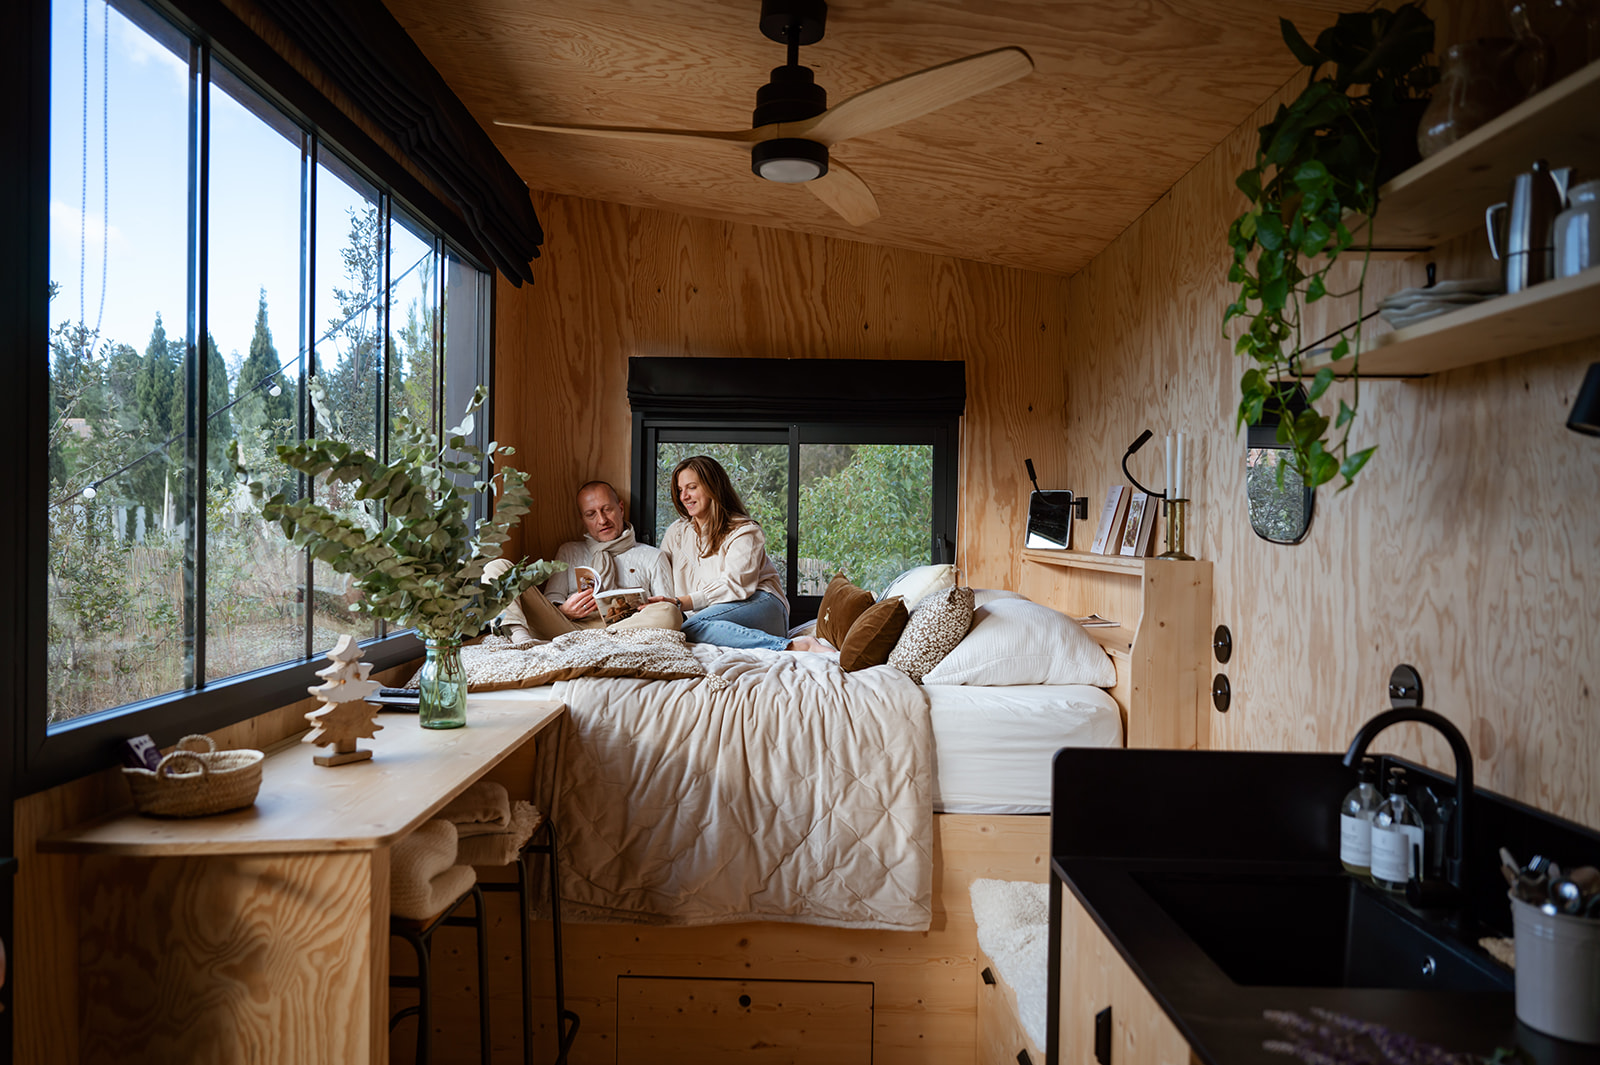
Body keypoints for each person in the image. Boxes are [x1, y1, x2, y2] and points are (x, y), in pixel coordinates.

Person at [654, 455, 825, 652]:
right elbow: (662, 574)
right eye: (680, 490)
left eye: (691, 487)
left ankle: (794, 646)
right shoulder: (676, 532)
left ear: (713, 487)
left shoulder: (745, 531)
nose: (684, 496)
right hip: (713, 618)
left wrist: (680, 602)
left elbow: (736, 585)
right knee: (683, 629)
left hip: (763, 605)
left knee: (689, 628)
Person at [486, 480, 669, 641]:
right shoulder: (569, 551)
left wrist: (641, 610)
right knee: (497, 567)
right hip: (569, 629)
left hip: (625, 632)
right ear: (583, 519)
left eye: (607, 510)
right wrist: (565, 611)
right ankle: (521, 640)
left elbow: (668, 606)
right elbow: (551, 601)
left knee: (669, 613)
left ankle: (604, 642)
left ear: (620, 508)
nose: (602, 520)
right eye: (591, 514)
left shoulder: (653, 557)